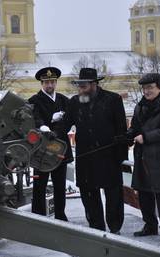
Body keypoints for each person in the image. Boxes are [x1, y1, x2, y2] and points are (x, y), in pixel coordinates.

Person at [65, 68, 128, 233]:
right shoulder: (75, 102)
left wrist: (120, 156)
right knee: (89, 194)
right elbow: (64, 125)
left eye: (84, 85)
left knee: (113, 194)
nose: (81, 89)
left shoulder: (112, 100)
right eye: (79, 85)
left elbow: (122, 129)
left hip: (109, 155)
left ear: (94, 84)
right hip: (86, 157)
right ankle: (96, 227)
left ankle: (115, 227)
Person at [28, 67, 73, 221]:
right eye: (46, 82)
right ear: (41, 83)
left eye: (52, 82)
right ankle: (38, 216)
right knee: (39, 185)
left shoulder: (63, 100)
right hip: (42, 149)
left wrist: (58, 129)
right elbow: (34, 119)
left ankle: (61, 215)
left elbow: (69, 120)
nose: (50, 85)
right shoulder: (34, 100)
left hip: (60, 147)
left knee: (60, 184)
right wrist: (46, 126)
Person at [127, 73, 160, 237]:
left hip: (158, 158)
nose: (146, 91)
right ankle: (150, 225)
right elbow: (135, 127)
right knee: (145, 193)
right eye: (144, 88)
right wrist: (129, 135)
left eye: (150, 87)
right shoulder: (140, 106)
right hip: (143, 157)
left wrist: (146, 137)